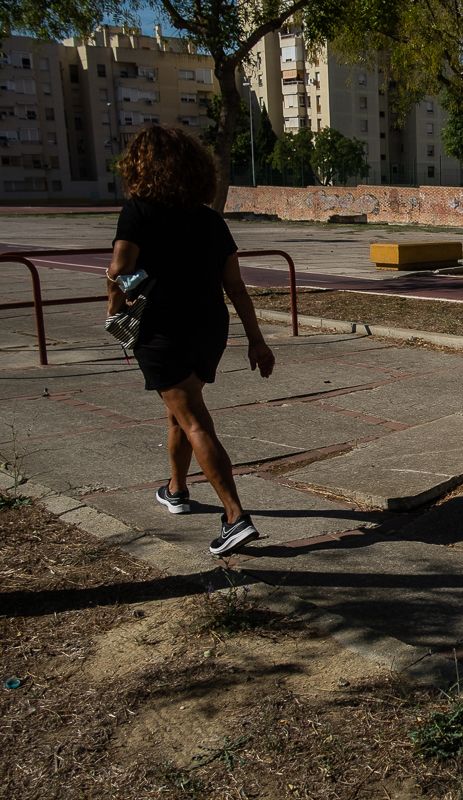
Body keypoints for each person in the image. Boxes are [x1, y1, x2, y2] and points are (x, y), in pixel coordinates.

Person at [105, 125, 276, 557]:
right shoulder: (210, 220)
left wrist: (114, 309)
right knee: (179, 410)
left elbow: (119, 269)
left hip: (162, 330)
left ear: (140, 166)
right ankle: (177, 490)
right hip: (209, 329)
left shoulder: (139, 212)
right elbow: (236, 287)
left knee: (194, 418)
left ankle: (235, 516)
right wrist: (257, 340)